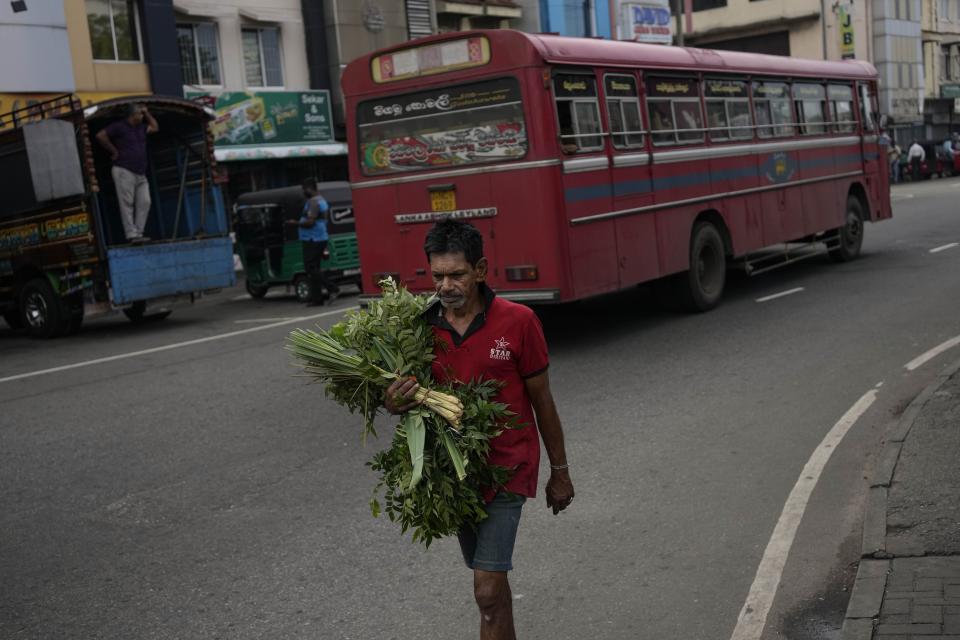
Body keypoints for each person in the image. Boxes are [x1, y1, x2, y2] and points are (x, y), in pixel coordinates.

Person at [384, 219, 575, 640]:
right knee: (492, 586)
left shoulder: (519, 321)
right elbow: (409, 399)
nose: (446, 285)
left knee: (486, 591)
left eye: (457, 274)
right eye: (437, 276)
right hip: (454, 476)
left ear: (481, 270)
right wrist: (393, 402)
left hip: (507, 467)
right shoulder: (419, 328)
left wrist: (559, 471)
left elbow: (543, 401)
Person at [96, 103, 158, 243]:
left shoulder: (141, 128)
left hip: (140, 172)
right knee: (127, 203)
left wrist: (147, 113)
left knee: (145, 202)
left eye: (142, 114)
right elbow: (100, 136)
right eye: (140, 113)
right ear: (132, 115)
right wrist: (113, 151)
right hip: (124, 169)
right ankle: (131, 234)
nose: (142, 116)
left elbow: (155, 127)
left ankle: (138, 232)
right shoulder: (119, 126)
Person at [287, 178, 339, 305]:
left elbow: (310, 222)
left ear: (309, 189)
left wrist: (295, 223)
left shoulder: (314, 202)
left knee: (310, 268)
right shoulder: (321, 200)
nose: (303, 192)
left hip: (313, 239)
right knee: (314, 268)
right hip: (319, 237)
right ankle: (317, 299)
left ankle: (333, 288)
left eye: (304, 190)